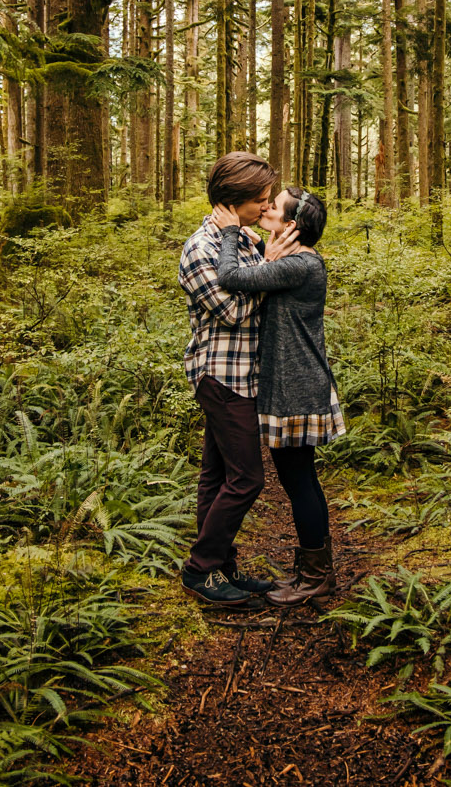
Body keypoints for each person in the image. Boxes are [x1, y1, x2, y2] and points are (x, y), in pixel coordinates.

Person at [175, 152, 301, 608]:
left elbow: (266, 275)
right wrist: (267, 275)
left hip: (245, 375)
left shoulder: (240, 239)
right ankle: (199, 569)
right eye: (260, 202)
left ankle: (221, 567)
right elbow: (232, 311)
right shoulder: (200, 249)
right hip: (220, 375)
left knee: (218, 475)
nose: (266, 209)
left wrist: (264, 265)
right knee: (247, 479)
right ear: (234, 200)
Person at [210, 186, 340, 605]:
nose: (265, 208)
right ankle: (312, 571)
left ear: (290, 226)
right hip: (292, 384)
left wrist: (230, 233)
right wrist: (262, 249)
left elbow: (230, 278)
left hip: (297, 388)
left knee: (299, 480)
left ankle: (317, 577)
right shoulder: (293, 260)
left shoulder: (298, 265)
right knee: (298, 479)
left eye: (274, 207)